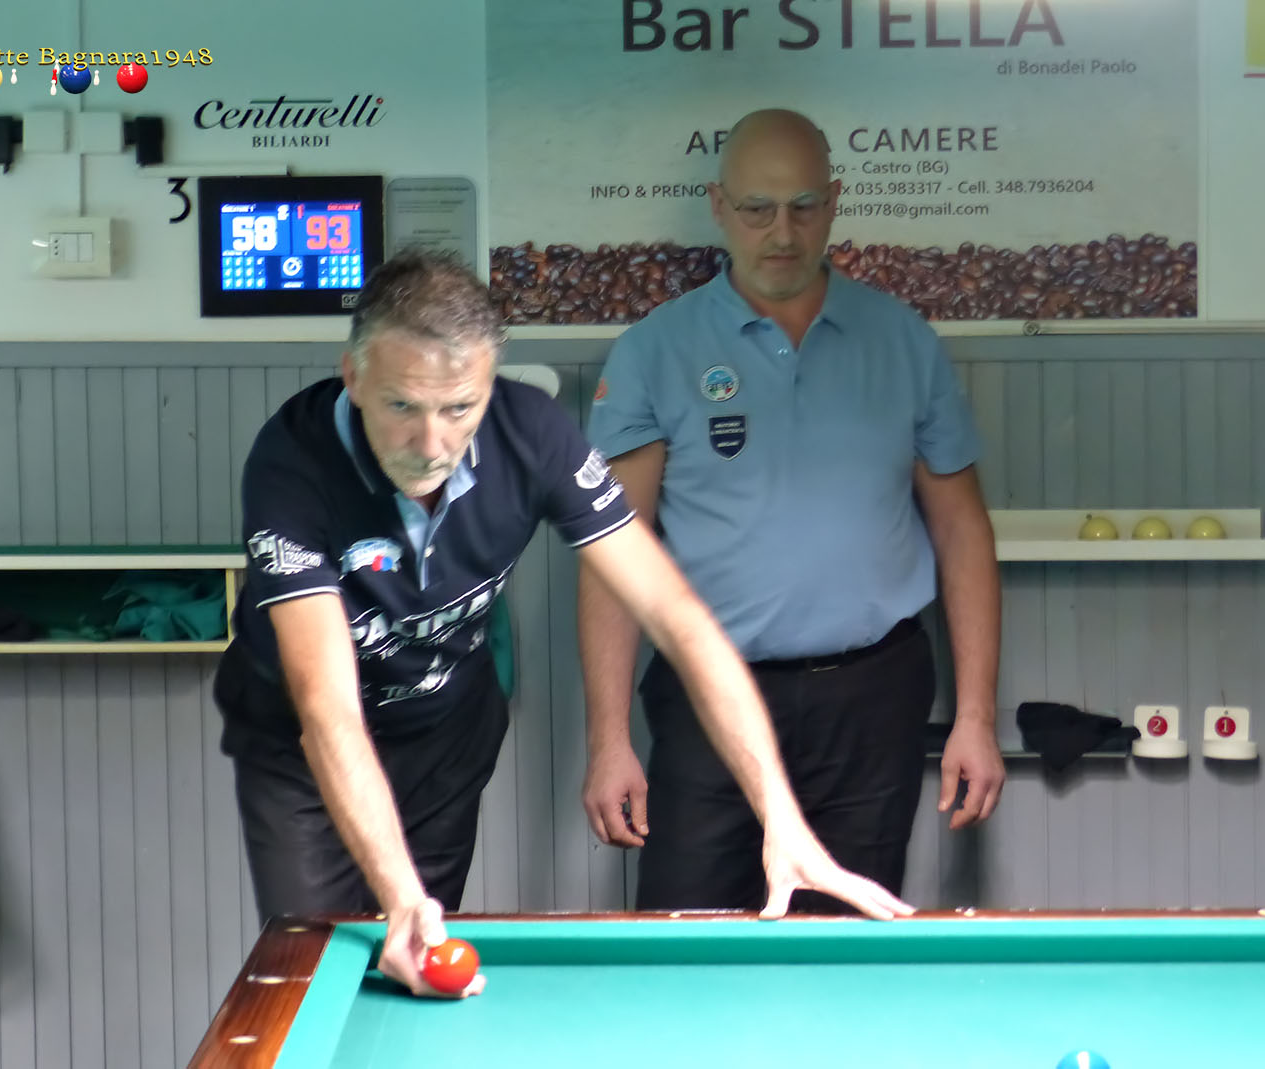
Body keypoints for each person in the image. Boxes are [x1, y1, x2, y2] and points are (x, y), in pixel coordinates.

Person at [213, 249, 912, 1001]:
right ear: (353, 376)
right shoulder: (292, 462)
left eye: (459, 408)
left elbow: (680, 619)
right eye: (403, 406)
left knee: (413, 961)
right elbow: (327, 708)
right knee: (318, 957)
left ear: (490, 385)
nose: (432, 443)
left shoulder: (531, 432)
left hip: (446, 733)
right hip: (300, 746)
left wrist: (782, 816)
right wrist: (400, 895)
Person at [579, 108, 1006, 913]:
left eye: (805, 207)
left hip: (872, 698)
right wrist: (608, 741)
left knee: (849, 937)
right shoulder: (656, 350)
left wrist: (975, 717)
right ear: (718, 206)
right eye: (758, 209)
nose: (782, 232)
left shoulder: (903, 341)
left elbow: (962, 529)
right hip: (707, 697)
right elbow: (613, 553)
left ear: (834, 202)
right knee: (690, 936)